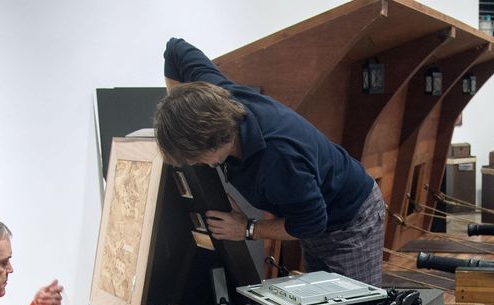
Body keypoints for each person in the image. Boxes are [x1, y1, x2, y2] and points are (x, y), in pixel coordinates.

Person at [156, 36, 386, 286]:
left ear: (216, 142)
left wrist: (246, 228)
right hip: (313, 210)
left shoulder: (279, 159)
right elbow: (174, 49)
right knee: (326, 303)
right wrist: (177, 109)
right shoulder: (215, 96)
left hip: (351, 220)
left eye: (196, 158)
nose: (194, 164)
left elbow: (311, 223)